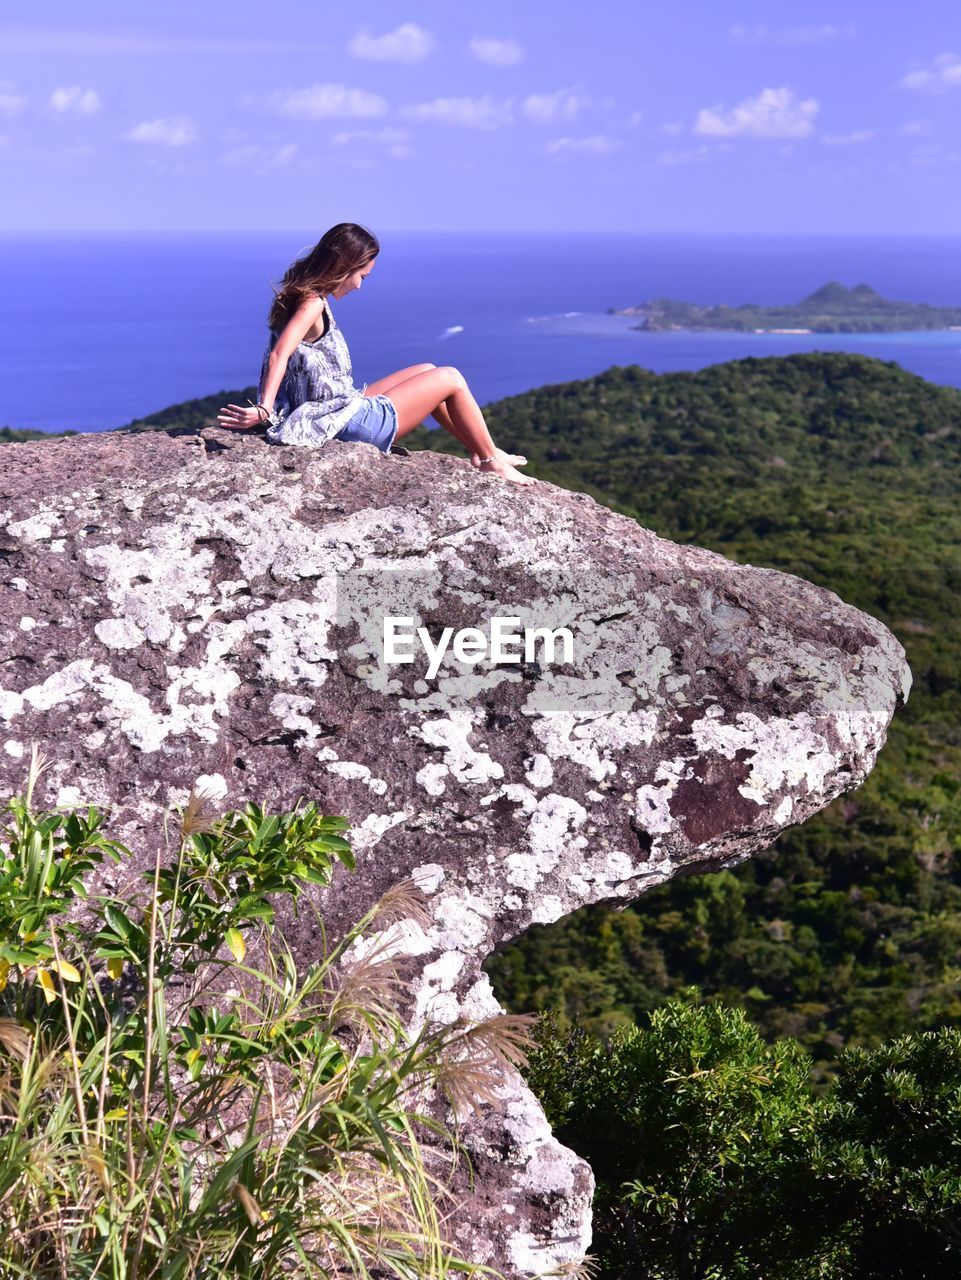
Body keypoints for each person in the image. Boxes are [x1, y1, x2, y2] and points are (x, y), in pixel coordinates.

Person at [217, 223, 535, 486]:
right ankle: (491, 462)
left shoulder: (299, 295)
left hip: (328, 410)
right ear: (344, 266)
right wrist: (263, 408)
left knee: (427, 369)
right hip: (346, 424)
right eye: (362, 276)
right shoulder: (312, 303)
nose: (359, 286)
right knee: (450, 378)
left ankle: (484, 449)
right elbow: (279, 354)